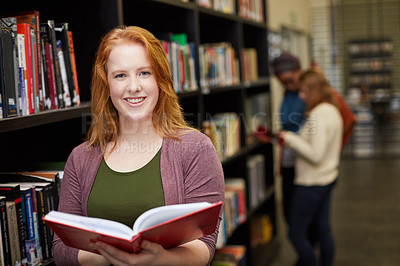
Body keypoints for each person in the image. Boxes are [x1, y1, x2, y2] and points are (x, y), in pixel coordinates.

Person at [52, 25, 225, 266]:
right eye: (120, 75)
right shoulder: (81, 158)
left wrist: (162, 259)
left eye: (144, 73)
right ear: (107, 85)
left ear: (160, 80)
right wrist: (111, 256)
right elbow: (61, 248)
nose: (133, 86)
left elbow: (205, 244)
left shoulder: (196, 149)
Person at [279, 69, 343, 266]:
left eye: (305, 91)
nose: (301, 95)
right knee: (323, 227)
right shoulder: (332, 109)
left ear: (314, 90)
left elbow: (316, 155)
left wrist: (289, 138)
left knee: (296, 234)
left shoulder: (319, 114)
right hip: (327, 178)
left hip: (312, 183)